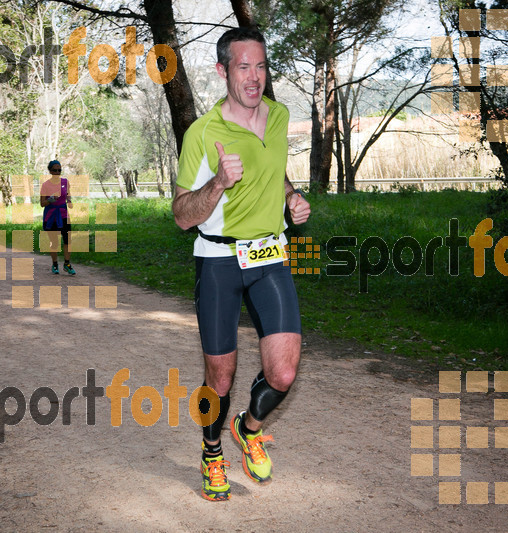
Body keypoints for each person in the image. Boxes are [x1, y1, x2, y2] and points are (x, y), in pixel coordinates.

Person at [172, 27, 311, 502]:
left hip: (270, 253)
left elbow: (275, 170)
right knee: (221, 376)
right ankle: (213, 453)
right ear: (222, 70)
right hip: (219, 259)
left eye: (261, 66)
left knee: (283, 374)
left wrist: (291, 196)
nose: (254, 77)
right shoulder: (203, 134)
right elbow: (180, 216)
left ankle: (246, 429)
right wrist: (217, 186)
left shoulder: (279, 117)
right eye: (243, 67)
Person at [40, 160, 76, 275]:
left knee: (67, 240)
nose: (57, 172)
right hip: (51, 216)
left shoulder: (65, 182)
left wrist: (69, 201)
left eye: (59, 170)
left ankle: (67, 264)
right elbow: (42, 203)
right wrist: (50, 199)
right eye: (54, 170)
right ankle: (55, 264)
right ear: (50, 171)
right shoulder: (45, 185)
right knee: (54, 242)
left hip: (64, 214)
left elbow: (68, 194)